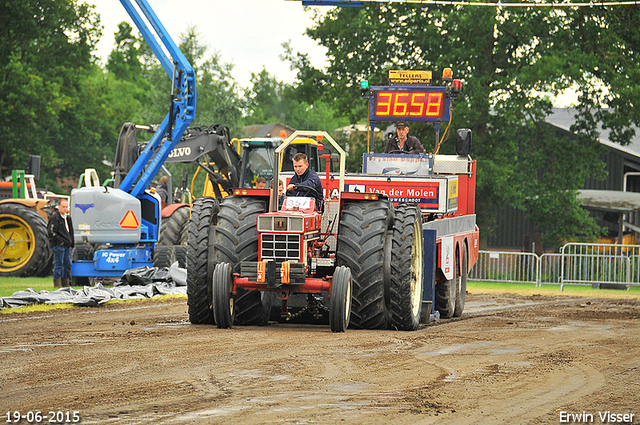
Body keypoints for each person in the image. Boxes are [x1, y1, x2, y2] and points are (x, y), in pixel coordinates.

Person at [47, 199, 74, 287]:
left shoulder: (68, 218)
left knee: (68, 264)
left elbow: (70, 232)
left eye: (66, 207)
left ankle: (66, 283)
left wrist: (71, 242)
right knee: (59, 264)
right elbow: (51, 231)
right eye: (63, 207)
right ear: (59, 207)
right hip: (58, 245)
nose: (65, 208)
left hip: (67, 245)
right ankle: (57, 284)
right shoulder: (55, 217)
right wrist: (60, 241)